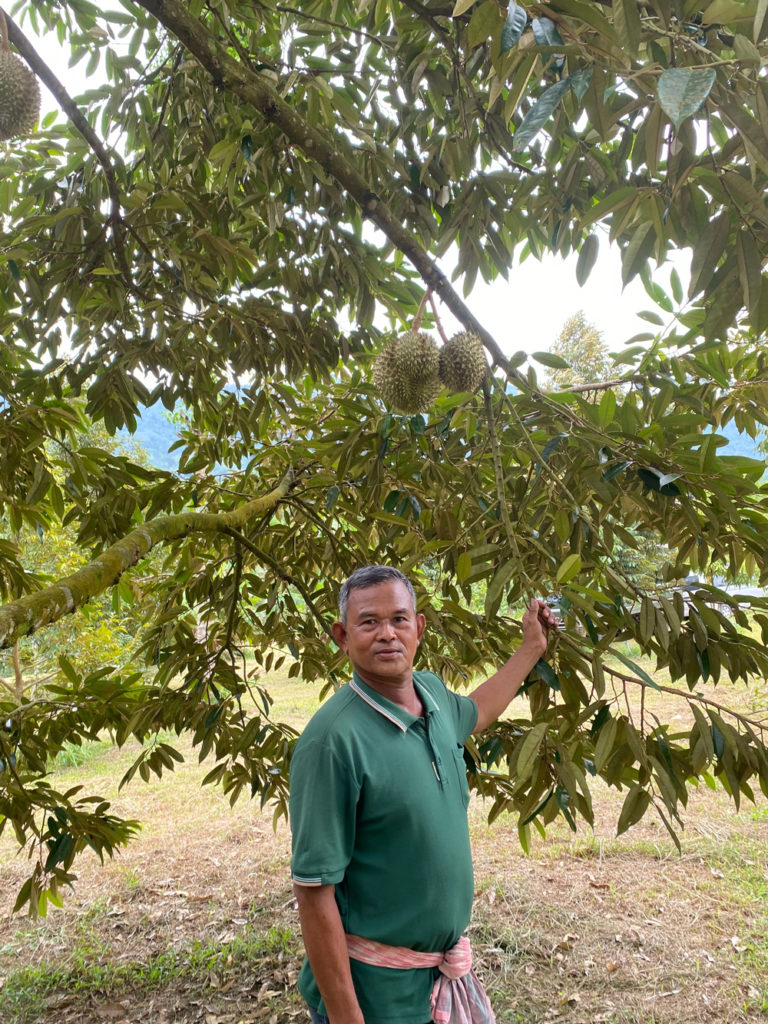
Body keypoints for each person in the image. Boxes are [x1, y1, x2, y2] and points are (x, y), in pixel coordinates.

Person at [289, 565, 557, 1024]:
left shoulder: (430, 696)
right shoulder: (332, 742)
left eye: (399, 619)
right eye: (369, 622)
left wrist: (533, 646)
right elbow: (314, 894)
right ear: (342, 635)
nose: (387, 634)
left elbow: (478, 710)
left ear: (419, 628)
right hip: (377, 999)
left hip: (437, 984)